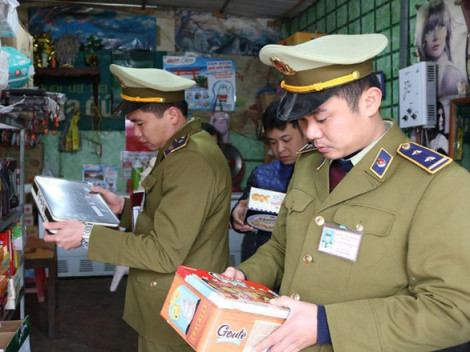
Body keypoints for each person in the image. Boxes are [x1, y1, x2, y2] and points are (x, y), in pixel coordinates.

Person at [223, 33, 470, 351]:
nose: (311, 133)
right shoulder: (310, 165)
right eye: (304, 121)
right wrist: (243, 278)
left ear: (370, 101)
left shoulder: (437, 184)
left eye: (322, 118)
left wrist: (327, 325)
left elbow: (453, 309)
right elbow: (283, 249)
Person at [43, 65, 232, 352]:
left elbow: (164, 252)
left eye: (140, 123)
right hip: (173, 300)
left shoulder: (191, 160)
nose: (136, 131)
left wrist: (86, 235)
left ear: (172, 115)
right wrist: (121, 208)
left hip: (177, 307)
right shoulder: (181, 148)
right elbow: (167, 214)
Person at [230, 100, 307, 261]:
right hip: (267, 261)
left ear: (305, 131)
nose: (279, 149)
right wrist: (237, 216)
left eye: (286, 140)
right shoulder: (261, 175)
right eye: (272, 142)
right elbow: (246, 212)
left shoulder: (325, 171)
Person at [415, 0, 467, 97]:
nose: (436, 37)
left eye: (441, 26)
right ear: (421, 36)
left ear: (447, 31)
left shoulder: (451, 75)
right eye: (429, 30)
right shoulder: (420, 75)